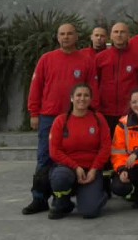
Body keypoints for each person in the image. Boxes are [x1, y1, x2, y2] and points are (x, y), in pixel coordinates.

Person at [22, 23, 99, 215]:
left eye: (69, 34)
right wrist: (34, 113)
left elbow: (92, 90)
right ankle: (39, 198)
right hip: (48, 117)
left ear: (77, 36)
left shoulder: (86, 61)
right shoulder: (46, 59)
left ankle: (61, 197)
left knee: (69, 157)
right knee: (44, 158)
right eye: (62, 34)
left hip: (75, 117)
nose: (66, 37)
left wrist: (92, 113)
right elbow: (36, 87)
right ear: (57, 37)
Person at [47, 83, 111, 220]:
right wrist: (75, 167)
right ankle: (62, 202)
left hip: (91, 172)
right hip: (68, 169)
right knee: (60, 177)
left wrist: (94, 169)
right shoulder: (61, 121)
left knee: (90, 212)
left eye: (86, 95)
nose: (82, 98)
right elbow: (54, 151)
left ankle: (99, 193)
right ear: (71, 98)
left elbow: (105, 148)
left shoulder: (98, 119)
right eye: (78, 95)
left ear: (91, 99)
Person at [96, 22, 138, 129]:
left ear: (128, 36)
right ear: (111, 36)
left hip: (130, 111)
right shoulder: (100, 58)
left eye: (122, 32)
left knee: (129, 144)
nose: (119, 35)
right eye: (116, 32)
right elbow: (95, 83)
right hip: (105, 111)